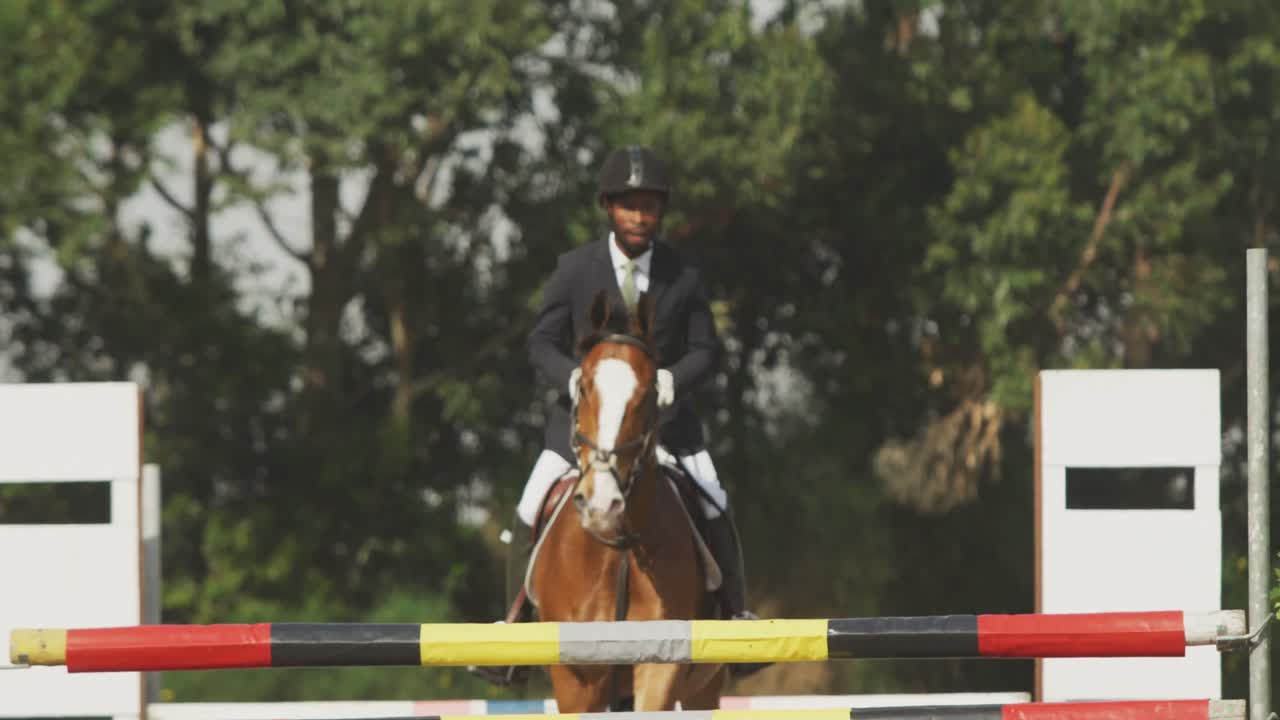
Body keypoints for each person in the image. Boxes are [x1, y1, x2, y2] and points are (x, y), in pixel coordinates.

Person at [497, 145, 758, 636]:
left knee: (715, 501)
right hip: (584, 429)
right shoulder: (575, 269)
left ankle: (735, 617)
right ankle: (514, 628)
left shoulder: (684, 275)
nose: (640, 216)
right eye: (629, 205)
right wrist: (572, 377)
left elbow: (706, 349)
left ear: (661, 211)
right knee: (530, 506)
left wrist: (670, 381)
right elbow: (541, 341)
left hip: (665, 428)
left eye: (650, 206)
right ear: (608, 208)